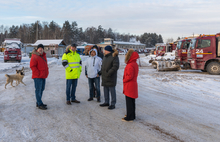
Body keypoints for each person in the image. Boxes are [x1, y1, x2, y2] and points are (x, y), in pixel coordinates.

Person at [122, 49, 139, 122]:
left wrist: (124, 80)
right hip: (133, 84)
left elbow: (129, 76)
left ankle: (129, 117)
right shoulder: (134, 64)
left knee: (129, 101)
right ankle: (132, 115)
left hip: (129, 85)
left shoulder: (130, 65)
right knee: (132, 101)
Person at [30, 44, 49, 110]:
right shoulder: (35, 56)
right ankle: (39, 103)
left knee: (42, 89)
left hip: (43, 76)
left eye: (42, 48)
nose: (40, 49)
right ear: (37, 49)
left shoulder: (43, 55)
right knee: (38, 90)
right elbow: (32, 66)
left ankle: (38, 102)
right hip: (37, 76)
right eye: (39, 48)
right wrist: (38, 73)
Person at [100, 45, 119, 110]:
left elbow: (115, 67)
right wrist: (100, 72)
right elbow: (103, 66)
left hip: (111, 77)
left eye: (105, 50)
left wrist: (109, 73)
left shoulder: (114, 56)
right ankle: (106, 102)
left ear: (107, 50)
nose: (104, 51)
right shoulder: (105, 57)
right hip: (105, 76)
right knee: (105, 90)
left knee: (112, 91)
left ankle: (113, 104)